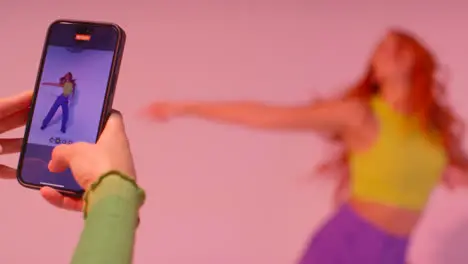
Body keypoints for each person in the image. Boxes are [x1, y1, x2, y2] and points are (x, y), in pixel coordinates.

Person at [143, 29, 468, 264]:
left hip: (395, 250)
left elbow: (452, 172)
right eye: (381, 48)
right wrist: (187, 107)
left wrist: (451, 173)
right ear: (376, 71)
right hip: (348, 243)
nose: (385, 50)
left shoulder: (431, 130)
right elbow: (270, 115)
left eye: (397, 46)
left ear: (417, 60)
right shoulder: (360, 114)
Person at [1, 91, 144, 264]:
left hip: (64, 101)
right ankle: (51, 124)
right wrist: (114, 189)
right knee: (56, 112)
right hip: (62, 100)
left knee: (62, 114)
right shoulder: (65, 86)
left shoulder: (70, 86)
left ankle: (58, 126)